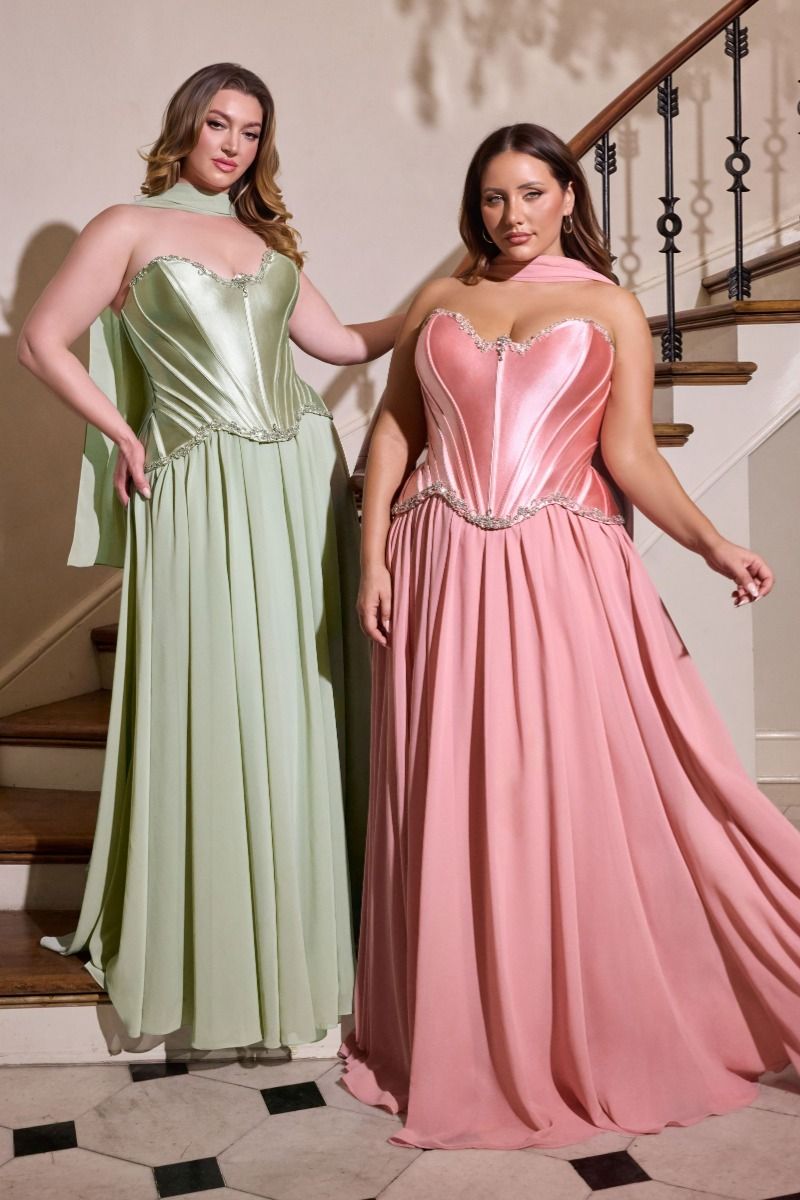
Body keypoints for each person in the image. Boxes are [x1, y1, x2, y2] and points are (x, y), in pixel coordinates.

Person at [341, 122, 800, 1150]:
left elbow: (629, 454)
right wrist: (373, 560)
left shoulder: (608, 306)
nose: (512, 215)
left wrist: (713, 544)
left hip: (555, 569)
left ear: (567, 197)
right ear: (476, 206)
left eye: (531, 193)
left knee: (561, 784)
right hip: (437, 566)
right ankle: (457, 1026)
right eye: (493, 196)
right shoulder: (439, 300)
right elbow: (395, 430)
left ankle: (573, 1015)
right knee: (448, 787)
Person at [19, 62, 400, 1051]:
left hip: (296, 483)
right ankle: (215, 946)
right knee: (215, 693)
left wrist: (441, 299)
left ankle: (304, 932)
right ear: (187, 125)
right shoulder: (126, 226)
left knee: (295, 699)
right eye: (219, 123)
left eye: (251, 131)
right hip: (194, 482)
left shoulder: (265, 242)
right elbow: (41, 341)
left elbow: (342, 345)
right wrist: (123, 431)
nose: (232, 144)